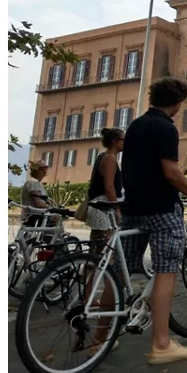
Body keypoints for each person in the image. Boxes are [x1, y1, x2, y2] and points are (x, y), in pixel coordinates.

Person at [120, 77, 187, 365]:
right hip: (160, 209)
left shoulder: (135, 125)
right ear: (177, 102)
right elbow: (172, 172)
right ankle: (161, 344)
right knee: (166, 270)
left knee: (118, 269)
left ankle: (100, 335)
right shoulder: (165, 128)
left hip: (132, 207)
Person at [84, 127, 124, 354]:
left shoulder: (103, 156)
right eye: (123, 139)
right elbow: (109, 186)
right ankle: (95, 298)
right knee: (107, 258)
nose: (125, 143)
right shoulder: (110, 159)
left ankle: (87, 296)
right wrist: (116, 208)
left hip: (97, 207)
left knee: (96, 256)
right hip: (104, 209)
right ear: (116, 141)